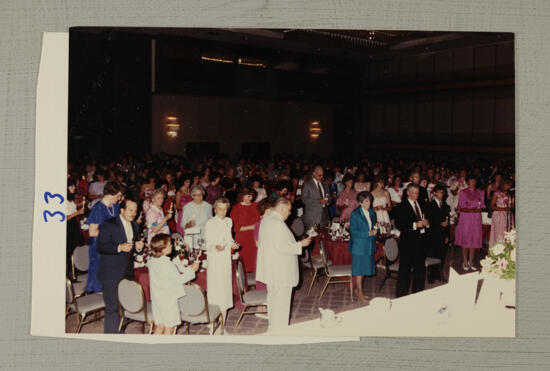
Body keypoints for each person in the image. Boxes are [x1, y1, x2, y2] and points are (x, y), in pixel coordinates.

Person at [257, 197, 312, 331]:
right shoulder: (276, 223)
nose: (289, 213)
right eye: (288, 210)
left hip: (273, 268)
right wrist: (301, 244)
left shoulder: (267, 219)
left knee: (274, 301)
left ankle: (274, 328)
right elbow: (281, 247)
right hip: (280, 270)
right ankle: (279, 330)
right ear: (281, 208)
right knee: (281, 303)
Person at [96, 198, 144, 333]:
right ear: (122, 210)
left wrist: (138, 248)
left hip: (127, 271)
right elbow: (101, 247)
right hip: (111, 272)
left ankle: (119, 334)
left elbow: (132, 249)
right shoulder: (108, 224)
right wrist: (119, 247)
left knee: (123, 305)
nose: (134, 213)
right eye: (130, 210)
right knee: (112, 309)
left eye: (135, 210)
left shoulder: (135, 226)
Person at [148, 234, 199, 335]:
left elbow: (166, 274)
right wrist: (193, 270)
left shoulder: (152, 260)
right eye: (169, 245)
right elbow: (181, 279)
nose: (172, 245)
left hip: (157, 298)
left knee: (159, 325)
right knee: (170, 327)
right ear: (162, 249)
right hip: (168, 299)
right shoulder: (167, 264)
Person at [85, 181, 125, 293]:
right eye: (118, 196)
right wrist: (111, 234)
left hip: (111, 244)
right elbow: (92, 232)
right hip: (99, 245)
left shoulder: (115, 206)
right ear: (110, 194)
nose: (119, 198)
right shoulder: (98, 209)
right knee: (100, 272)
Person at [204, 198, 238, 325]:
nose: (222, 212)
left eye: (225, 209)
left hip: (225, 259)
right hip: (215, 259)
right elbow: (208, 243)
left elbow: (229, 238)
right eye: (220, 209)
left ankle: (222, 322)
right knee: (215, 290)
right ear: (215, 209)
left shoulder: (229, 221)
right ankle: (212, 320)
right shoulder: (210, 223)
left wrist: (233, 244)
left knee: (225, 289)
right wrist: (215, 247)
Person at [394, 183, 431, 298]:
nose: (416, 195)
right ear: (408, 193)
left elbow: (427, 220)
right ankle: (401, 296)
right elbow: (399, 224)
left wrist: (427, 223)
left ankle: (417, 295)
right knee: (405, 271)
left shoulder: (421, 204)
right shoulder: (401, 206)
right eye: (414, 193)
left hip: (421, 242)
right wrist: (415, 225)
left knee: (420, 271)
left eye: (417, 193)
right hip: (408, 243)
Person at [348, 191, 378, 302]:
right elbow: (354, 232)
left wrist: (376, 232)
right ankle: (360, 293)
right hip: (359, 245)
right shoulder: (355, 214)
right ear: (360, 202)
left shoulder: (371, 212)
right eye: (366, 201)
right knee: (359, 270)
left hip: (369, 244)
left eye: (370, 200)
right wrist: (368, 233)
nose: (369, 203)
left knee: (365, 268)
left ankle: (358, 289)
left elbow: (374, 226)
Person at [454, 175, 485, 271]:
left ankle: (471, 261)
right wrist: (471, 210)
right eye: (471, 180)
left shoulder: (480, 192)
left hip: (476, 218)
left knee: (474, 239)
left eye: (474, 180)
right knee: (466, 239)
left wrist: (479, 209)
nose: (473, 182)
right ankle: (465, 260)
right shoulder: (463, 192)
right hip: (466, 218)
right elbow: (460, 207)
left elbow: (483, 205)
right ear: (468, 181)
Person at [230, 187, 261, 273]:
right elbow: (235, 228)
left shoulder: (255, 206)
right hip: (243, 238)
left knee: (255, 259)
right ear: (242, 196)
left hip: (254, 236)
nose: (250, 198)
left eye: (251, 196)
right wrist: (251, 227)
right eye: (248, 196)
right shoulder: (236, 209)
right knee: (243, 263)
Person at [427, 184, 450, 283]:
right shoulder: (430, 205)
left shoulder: (445, 205)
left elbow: (447, 221)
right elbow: (429, 220)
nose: (441, 195)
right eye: (439, 193)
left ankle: (438, 274)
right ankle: (431, 275)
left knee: (442, 255)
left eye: (443, 193)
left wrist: (447, 236)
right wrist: (439, 223)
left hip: (442, 234)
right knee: (433, 254)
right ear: (434, 193)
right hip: (433, 234)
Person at [301, 165, 331, 230]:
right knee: (312, 237)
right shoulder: (307, 184)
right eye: (319, 175)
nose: (321, 177)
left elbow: (329, 198)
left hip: (324, 215)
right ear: (314, 173)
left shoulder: (325, 184)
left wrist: (328, 201)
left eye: (322, 175)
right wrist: (318, 201)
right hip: (312, 216)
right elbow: (304, 200)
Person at [66, 179, 85, 278]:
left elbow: (71, 206)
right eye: (71, 186)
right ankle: (71, 271)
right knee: (70, 249)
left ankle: (78, 268)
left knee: (77, 246)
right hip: (68, 225)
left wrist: (80, 204)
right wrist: (78, 213)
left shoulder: (70, 198)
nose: (74, 188)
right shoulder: (62, 199)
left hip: (73, 224)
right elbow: (65, 217)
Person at [489, 178, 514, 246]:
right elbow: (492, 206)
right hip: (499, 216)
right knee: (499, 234)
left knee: (508, 234)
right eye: (507, 184)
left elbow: (513, 206)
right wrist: (502, 209)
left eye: (510, 185)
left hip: (508, 216)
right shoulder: (497, 193)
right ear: (503, 185)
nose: (508, 186)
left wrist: (511, 206)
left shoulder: (511, 195)